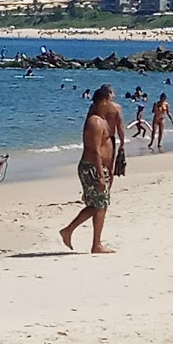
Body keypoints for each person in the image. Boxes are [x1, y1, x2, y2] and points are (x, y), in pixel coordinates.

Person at [61, 104, 115, 254]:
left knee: (100, 205)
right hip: (92, 167)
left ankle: (95, 243)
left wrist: (110, 167)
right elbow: (95, 150)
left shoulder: (102, 120)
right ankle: (70, 231)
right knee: (98, 205)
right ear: (103, 101)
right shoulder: (95, 122)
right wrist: (100, 175)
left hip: (99, 167)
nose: (112, 103)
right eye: (110, 99)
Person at [91, 84, 126, 176]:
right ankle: (107, 187)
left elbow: (89, 123)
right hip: (109, 139)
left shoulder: (95, 106)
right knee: (109, 167)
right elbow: (120, 126)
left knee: (96, 164)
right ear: (110, 93)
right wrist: (122, 142)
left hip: (97, 138)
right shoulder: (116, 107)